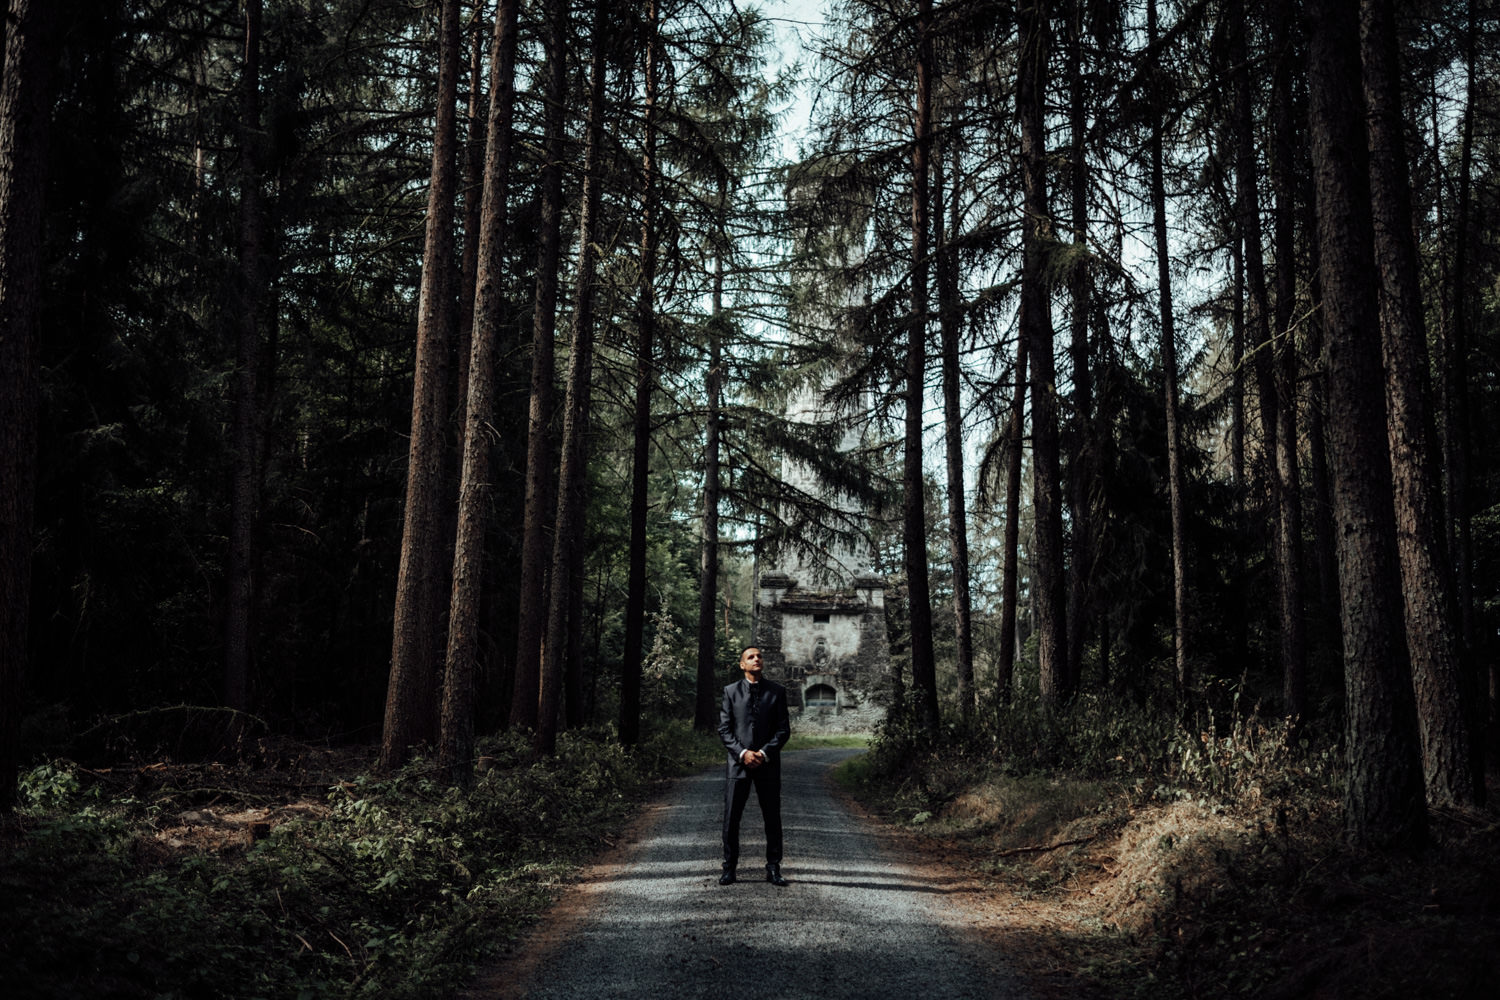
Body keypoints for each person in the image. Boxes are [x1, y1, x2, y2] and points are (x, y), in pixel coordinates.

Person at [717, 645, 791, 886]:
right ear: (742, 664)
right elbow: (725, 729)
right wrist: (743, 753)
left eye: (759, 656)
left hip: (767, 764)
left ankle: (773, 868)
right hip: (738, 765)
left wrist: (762, 753)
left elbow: (783, 729)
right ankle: (729, 868)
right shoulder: (730, 692)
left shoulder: (777, 692)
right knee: (731, 818)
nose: (756, 659)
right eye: (751, 657)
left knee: (772, 818)